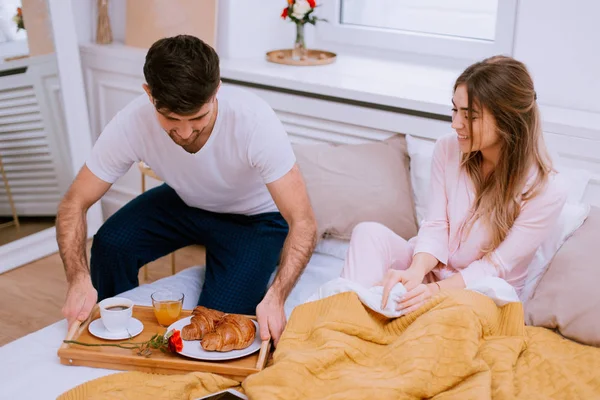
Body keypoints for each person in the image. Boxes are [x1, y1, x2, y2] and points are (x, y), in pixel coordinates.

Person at [57, 35, 317, 346]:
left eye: (198, 119)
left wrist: (277, 296)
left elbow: (303, 221)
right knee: (110, 245)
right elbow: (74, 201)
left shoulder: (254, 121)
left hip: (255, 220)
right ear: (149, 94)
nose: (184, 133)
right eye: (170, 119)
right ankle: (117, 331)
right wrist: (77, 279)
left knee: (217, 327)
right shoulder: (131, 121)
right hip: (185, 201)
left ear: (216, 90)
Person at [340, 55, 567, 314]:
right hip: (434, 272)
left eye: (469, 116)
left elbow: (496, 266)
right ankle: (346, 322)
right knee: (368, 233)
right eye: (455, 110)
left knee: (463, 303)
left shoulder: (547, 189)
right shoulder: (448, 148)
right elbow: (436, 224)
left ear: (507, 120)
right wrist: (416, 272)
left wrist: (434, 292)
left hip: (481, 294)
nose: (456, 124)